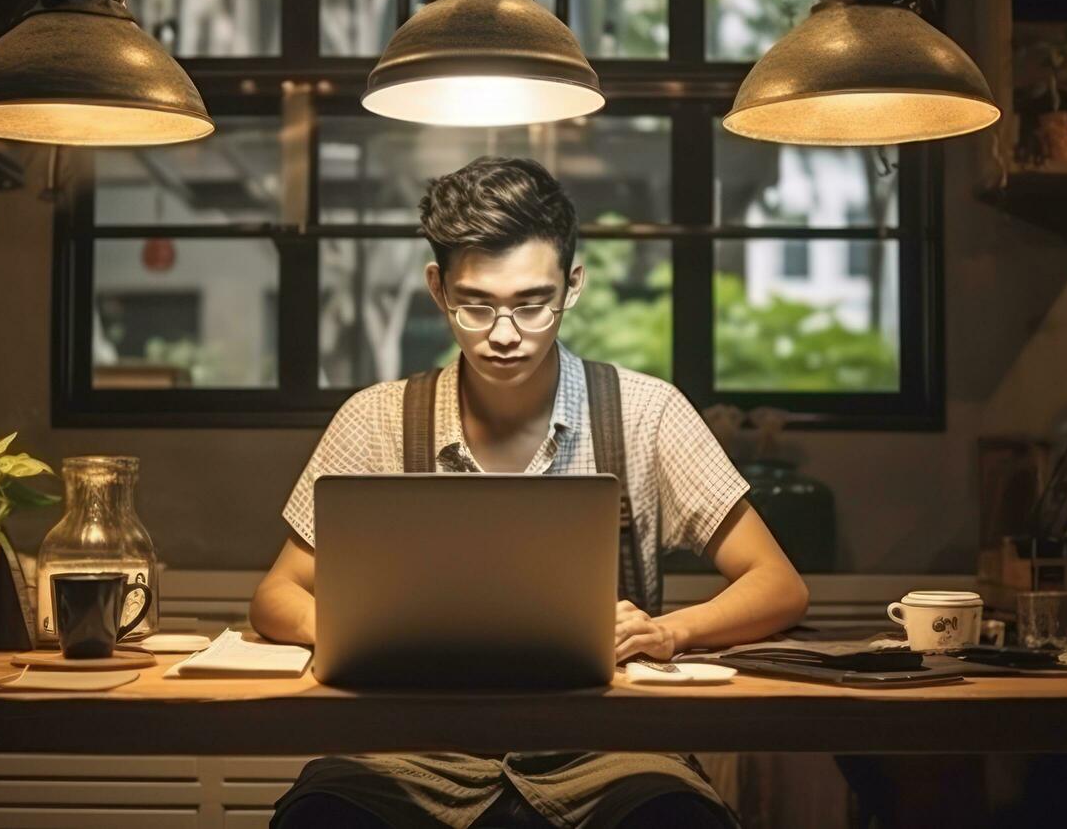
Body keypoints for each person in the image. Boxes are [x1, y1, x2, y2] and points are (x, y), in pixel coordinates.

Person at [251, 157, 809, 828]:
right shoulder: (373, 418)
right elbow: (275, 595)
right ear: (437, 288)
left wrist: (668, 631)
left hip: (609, 748)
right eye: (476, 305)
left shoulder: (645, 411)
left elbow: (777, 584)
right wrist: (350, 636)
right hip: (408, 748)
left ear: (572, 285)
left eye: (530, 303)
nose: (505, 334)